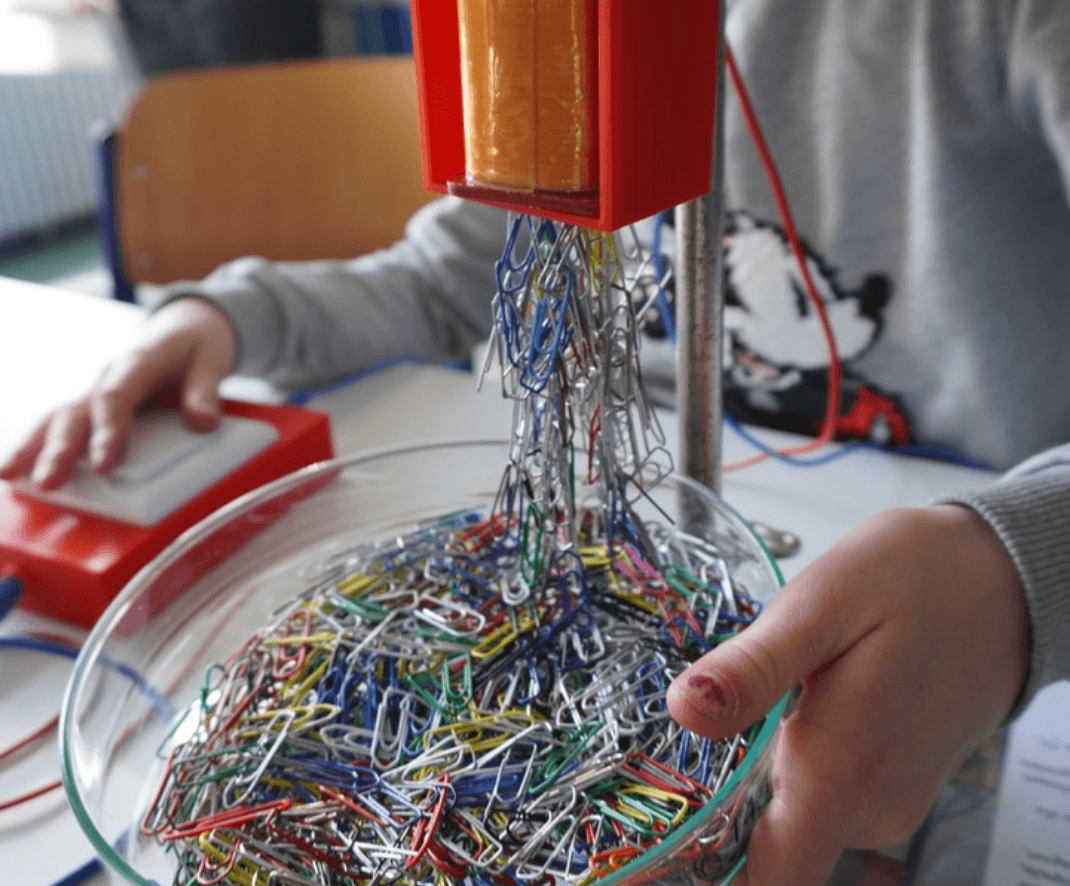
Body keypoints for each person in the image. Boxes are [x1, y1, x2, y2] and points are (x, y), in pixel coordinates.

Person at [4, 1, 1070, 883]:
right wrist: (227, 320)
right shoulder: (544, 31)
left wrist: (1016, 570)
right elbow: (441, 276)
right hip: (669, 550)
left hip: (931, 576)